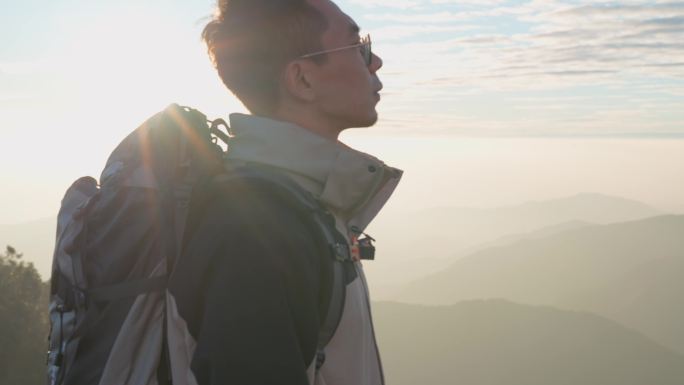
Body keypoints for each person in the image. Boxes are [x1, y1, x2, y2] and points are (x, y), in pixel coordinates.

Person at [167, 0, 403, 384]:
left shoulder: (300, 205)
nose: (375, 62)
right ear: (302, 80)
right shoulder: (259, 228)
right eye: (358, 45)